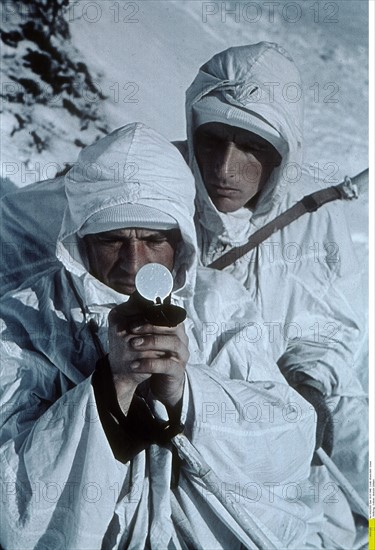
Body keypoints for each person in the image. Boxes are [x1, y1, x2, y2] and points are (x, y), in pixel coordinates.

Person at [0, 123, 325, 549]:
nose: (134, 264)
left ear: (182, 240)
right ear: (79, 239)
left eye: (155, 240)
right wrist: (110, 387)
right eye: (113, 240)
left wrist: (187, 395)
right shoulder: (24, 320)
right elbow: (16, 508)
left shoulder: (219, 303)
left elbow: (290, 445)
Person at [178, 42, 367, 512]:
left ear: (283, 154)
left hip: (277, 399)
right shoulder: (155, 181)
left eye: (253, 147)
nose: (225, 168)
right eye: (212, 139)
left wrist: (310, 380)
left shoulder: (313, 218)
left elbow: (330, 326)